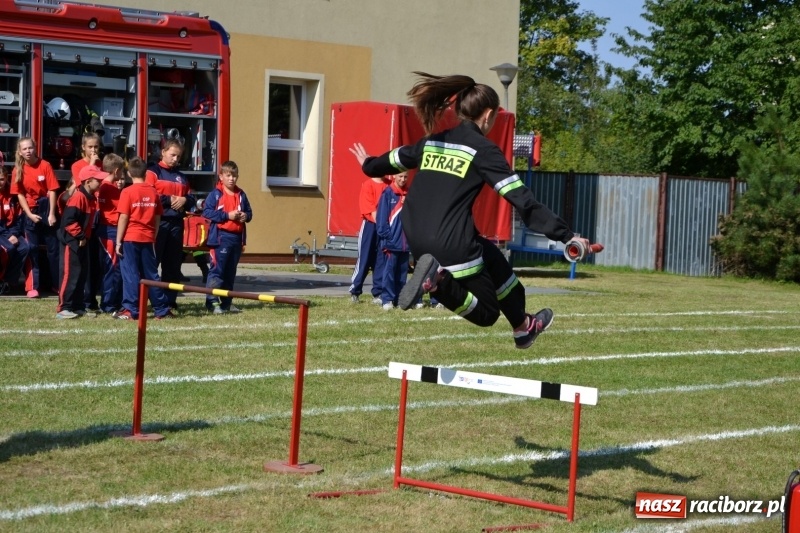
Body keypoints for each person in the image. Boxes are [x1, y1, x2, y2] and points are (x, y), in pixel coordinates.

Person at [350, 72, 590, 349]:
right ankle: (438, 283)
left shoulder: (432, 142)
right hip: (450, 241)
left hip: (415, 236)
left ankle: (523, 327)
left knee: (495, 261)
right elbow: (523, 201)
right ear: (488, 115)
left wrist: (367, 163)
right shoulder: (483, 150)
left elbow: (388, 161)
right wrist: (567, 235)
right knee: (487, 313)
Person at [115, 157, 173, 321]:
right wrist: (153, 235)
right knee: (151, 275)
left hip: (131, 238)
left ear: (128, 174)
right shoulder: (153, 191)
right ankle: (161, 309)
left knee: (131, 274)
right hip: (148, 238)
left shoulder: (127, 192)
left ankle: (131, 309)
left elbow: (124, 217)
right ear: (146, 173)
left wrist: (119, 241)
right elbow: (157, 217)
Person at [147, 139, 194, 312]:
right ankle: (154, 301)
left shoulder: (182, 176)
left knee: (173, 266)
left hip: (176, 224)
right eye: (172, 155)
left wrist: (184, 199)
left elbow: (191, 198)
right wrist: (169, 199)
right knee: (153, 263)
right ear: (163, 152)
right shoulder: (153, 172)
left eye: (178, 156)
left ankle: (170, 301)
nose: (175, 159)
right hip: (159, 223)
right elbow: (148, 194)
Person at [10, 137, 60, 298]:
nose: (28, 151)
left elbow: (52, 190)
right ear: (20, 152)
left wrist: (52, 213)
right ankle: (32, 286)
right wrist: (30, 215)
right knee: (32, 250)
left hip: (46, 209)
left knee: (54, 250)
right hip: (30, 211)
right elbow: (19, 194)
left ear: (35, 148)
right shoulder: (18, 170)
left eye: (30, 148)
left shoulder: (45, 165)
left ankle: (57, 285)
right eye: (24, 149)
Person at [203, 160, 252, 314]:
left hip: (236, 238)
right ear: (221, 177)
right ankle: (212, 302)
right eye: (228, 175)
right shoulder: (216, 194)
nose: (232, 179)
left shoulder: (241, 194)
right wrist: (227, 215)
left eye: (234, 176)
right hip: (220, 237)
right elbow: (207, 212)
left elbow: (250, 213)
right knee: (218, 270)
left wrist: (245, 216)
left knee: (230, 272)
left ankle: (227, 302)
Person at [55, 165, 103, 319]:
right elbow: (68, 221)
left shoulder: (90, 197)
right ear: (88, 181)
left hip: (82, 241)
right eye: (98, 179)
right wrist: (81, 237)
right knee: (70, 274)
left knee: (81, 274)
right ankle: (64, 307)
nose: (101, 181)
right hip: (72, 242)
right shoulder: (78, 197)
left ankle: (77, 306)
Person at [71, 133, 103, 313]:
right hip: (85, 217)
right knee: (85, 262)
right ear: (83, 147)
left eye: (96, 147)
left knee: (97, 263)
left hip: (99, 216)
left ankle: (92, 300)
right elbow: (81, 187)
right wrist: (91, 166)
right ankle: (83, 300)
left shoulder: (102, 164)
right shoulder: (77, 166)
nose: (93, 150)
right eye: (90, 147)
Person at [348, 174, 388, 304]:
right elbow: (371, 209)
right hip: (371, 225)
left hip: (384, 226)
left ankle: (378, 293)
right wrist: (381, 224)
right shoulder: (368, 185)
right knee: (364, 259)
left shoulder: (389, 185)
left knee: (381, 259)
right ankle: (355, 290)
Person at [95, 153, 126, 314]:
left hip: (105, 230)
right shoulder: (111, 189)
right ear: (116, 170)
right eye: (121, 172)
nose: (121, 176)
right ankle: (108, 304)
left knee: (111, 267)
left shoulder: (101, 186)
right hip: (110, 230)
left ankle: (112, 302)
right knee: (113, 268)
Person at [375, 171, 410, 310]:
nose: (403, 179)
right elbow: (381, 219)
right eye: (400, 176)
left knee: (402, 273)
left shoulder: (410, 193)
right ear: (394, 177)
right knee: (389, 272)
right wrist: (388, 237)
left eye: (405, 177)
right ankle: (387, 299)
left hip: (405, 243)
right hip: (392, 242)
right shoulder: (387, 193)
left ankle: (399, 299)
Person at [0, 163, 31, 293]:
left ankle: (10, 282)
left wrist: (14, 233)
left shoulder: (13, 193)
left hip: (11, 230)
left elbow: (19, 218)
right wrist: (8, 236)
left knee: (25, 247)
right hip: (2, 232)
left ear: (7, 178)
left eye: (1, 179)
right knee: (9, 248)